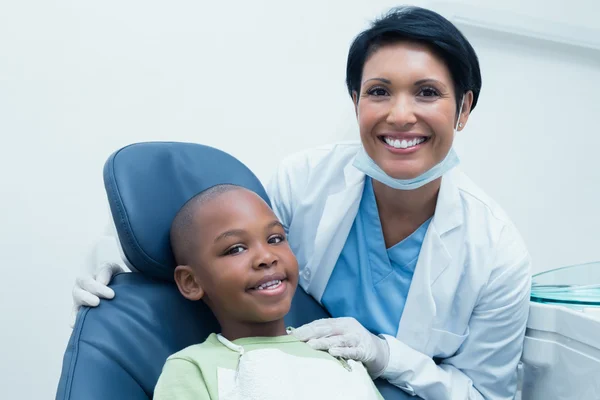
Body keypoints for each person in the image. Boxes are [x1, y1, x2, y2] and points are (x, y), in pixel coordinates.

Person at [72, 6, 532, 400]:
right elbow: (221, 236)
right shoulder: (304, 180)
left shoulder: (495, 250)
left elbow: (485, 394)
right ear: (356, 102)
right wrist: (116, 256)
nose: (400, 114)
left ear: (464, 108)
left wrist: (388, 356)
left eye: (427, 92)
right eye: (378, 91)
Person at [153, 184, 383, 400]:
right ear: (191, 282)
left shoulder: (339, 351)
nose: (266, 257)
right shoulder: (193, 368)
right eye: (236, 249)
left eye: (275, 239)